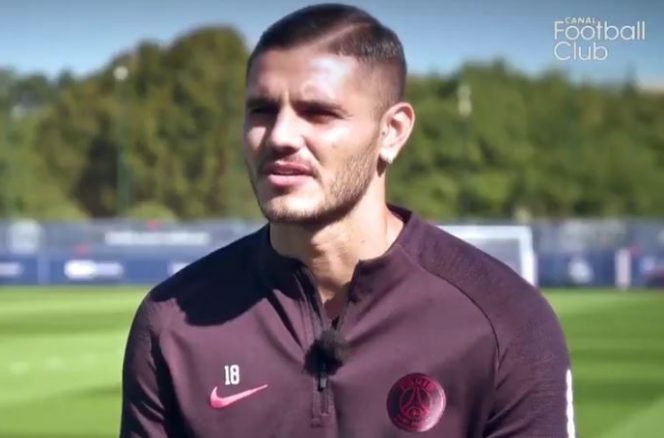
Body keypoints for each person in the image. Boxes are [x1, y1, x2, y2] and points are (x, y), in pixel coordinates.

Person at [120, 3, 575, 437]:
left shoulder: (505, 321)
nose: (280, 136)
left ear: (392, 132)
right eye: (262, 111)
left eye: (318, 113)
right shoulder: (173, 324)